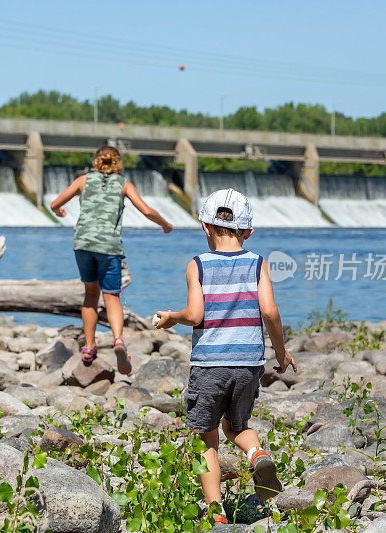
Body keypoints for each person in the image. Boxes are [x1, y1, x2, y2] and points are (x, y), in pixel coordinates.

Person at [155, 188, 297, 525]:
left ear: (205, 227)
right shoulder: (259, 263)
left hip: (209, 365)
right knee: (237, 426)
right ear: (248, 232)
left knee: (207, 439)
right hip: (249, 363)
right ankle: (256, 453)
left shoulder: (198, 265)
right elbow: (270, 312)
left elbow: (194, 315)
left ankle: (216, 513)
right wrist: (280, 352)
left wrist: (172, 317)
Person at [50, 145, 173, 374]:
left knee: (90, 295)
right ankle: (118, 340)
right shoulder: (124, 184)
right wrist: (165, 224)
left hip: (83, 244)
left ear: (96, 161)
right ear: (118, 163)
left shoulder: (82, 181)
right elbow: (146, 211)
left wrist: (60, 213)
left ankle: (89, 347)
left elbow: (55, 204)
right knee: (112, 296)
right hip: (109, 246)